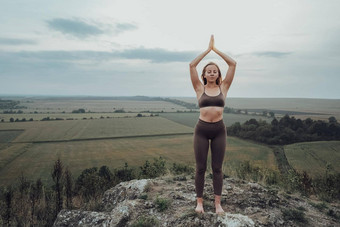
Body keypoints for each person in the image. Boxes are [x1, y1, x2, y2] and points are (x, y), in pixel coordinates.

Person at [189, 35, 237, 214]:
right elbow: (192, 65)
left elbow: (232, 64)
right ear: (204, 75)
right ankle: (199, 202)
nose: (211, 72)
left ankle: (218, 204)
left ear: (218, 74)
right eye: (208, 71)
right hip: (201, 130)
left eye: (214, 70)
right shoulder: (198, 88)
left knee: (217, 168)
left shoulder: (223, 87)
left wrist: (216, 50)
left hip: (219, 130)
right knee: (200, 168)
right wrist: (207, 51)